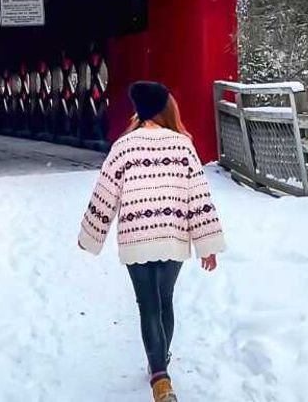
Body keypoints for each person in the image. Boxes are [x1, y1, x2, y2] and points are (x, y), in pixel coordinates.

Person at [77, 81, 226, 402]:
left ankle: (160, 376)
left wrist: (90, 235)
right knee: (164, 301)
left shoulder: (123, 147)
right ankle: (160, 364)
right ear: (164, 108)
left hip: (136, 237)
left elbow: (104, 194)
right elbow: (198, 197)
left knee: (148, 306)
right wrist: (207, 243)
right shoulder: (183, 146)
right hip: (172, 234)